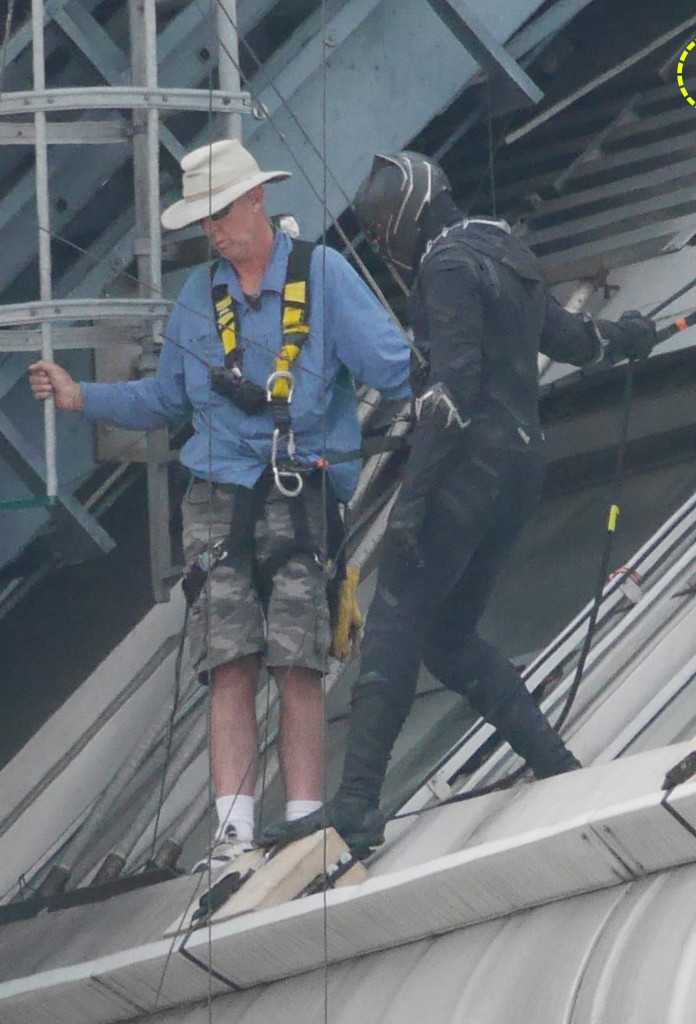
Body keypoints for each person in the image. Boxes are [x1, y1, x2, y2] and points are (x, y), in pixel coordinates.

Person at [29, 138, 411, 872]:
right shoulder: (196, 297)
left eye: (217, 213)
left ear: (255, 200)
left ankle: (304, 820)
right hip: (214, 496)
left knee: (298, 656)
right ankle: (233, 835)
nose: (209, 230)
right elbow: (168, 400)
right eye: (200, 218)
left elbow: (391, 367)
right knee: (226, 657)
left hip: (298, 489)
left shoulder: (323, 274)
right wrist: (84, 397)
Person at [259, 150, 656, 855]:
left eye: (384, 236)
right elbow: (575, 341)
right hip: (522, 467)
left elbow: (450, 396)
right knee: (447, 635)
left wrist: (412, 504)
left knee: (394, 621)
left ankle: (355, 806)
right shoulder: (504, 248)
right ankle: (555, 764)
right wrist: (630, 338)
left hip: (468, 469)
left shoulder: (444, 267)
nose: (388, 250)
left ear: (404, 221)